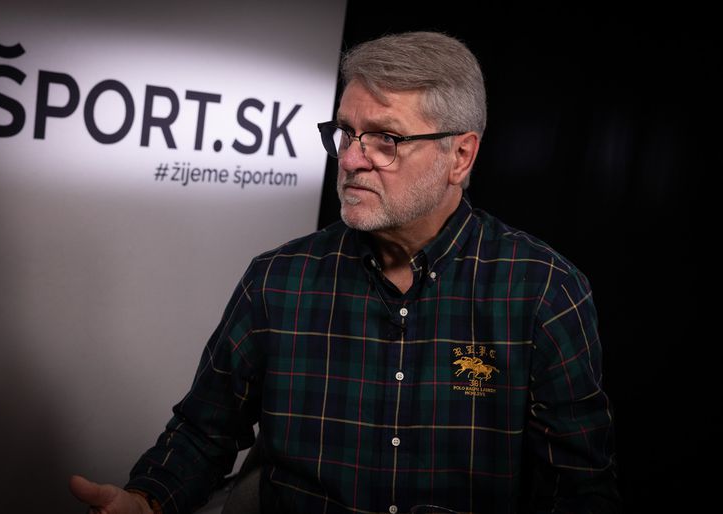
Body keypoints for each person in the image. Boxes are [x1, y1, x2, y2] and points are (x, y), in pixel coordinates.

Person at [70, 31, 619, 514]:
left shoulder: (543, 291)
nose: (351, 159)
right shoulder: (279, 281)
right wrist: (146, 500)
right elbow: (202, 433)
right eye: (346, 133)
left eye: (386, 139)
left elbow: (578, 490)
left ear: (460, 156)